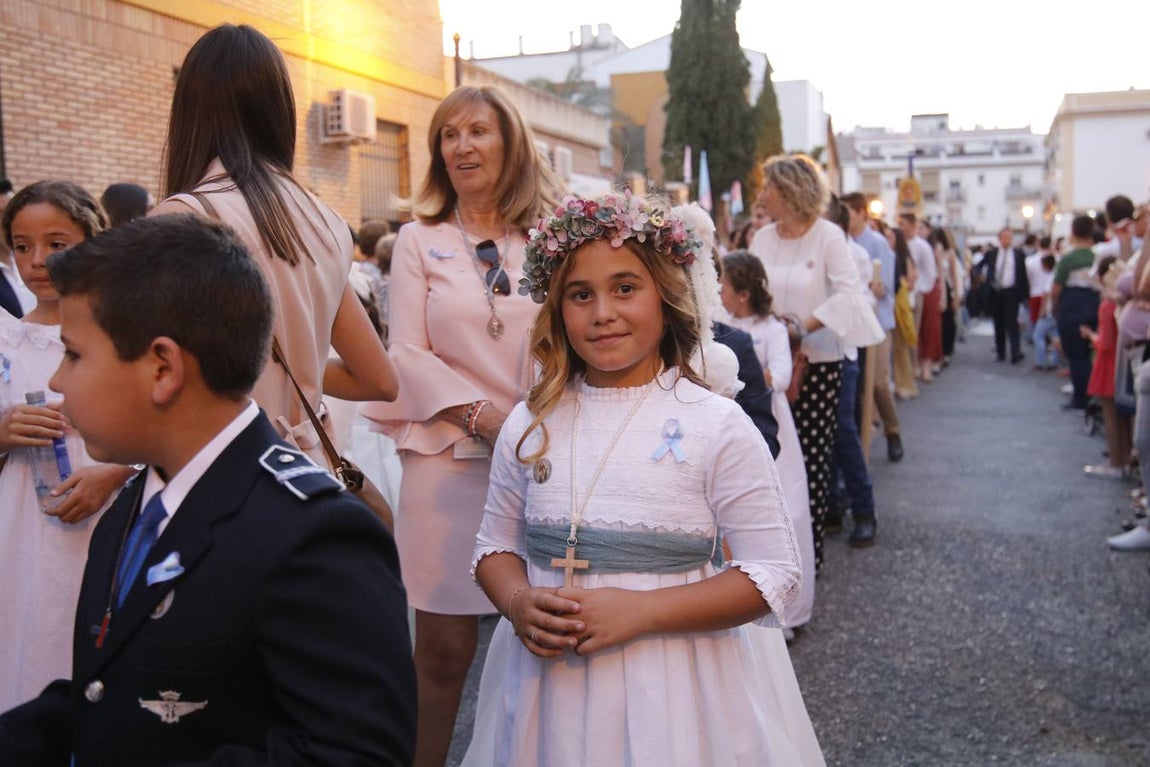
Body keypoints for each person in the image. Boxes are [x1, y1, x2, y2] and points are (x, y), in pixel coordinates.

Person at [0, 213, 417, 764]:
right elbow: (105, 696)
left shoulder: (313, 537)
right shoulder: (138, 503)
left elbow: (355, 753)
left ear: (163, 369)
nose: (57, 380)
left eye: (74, 354)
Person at [463, 191, 823, 766]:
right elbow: (494, 546)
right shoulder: (531, 423)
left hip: (675, 688)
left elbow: (774, 573)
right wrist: (518, 599)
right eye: (581, 294)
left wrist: (642, 611)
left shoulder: (715, 423)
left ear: (666, 296)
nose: (602, 312)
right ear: (557, 308)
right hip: (547, 693)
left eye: (625, 288)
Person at [362, 83, 563, 767]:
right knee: (443, 651)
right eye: (448, 134)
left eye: (477, 130)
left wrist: (533, 422)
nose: (461, 146)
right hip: (448, 456)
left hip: (545, 455)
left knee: (548, 632)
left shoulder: (553, 235)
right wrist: (485, 417)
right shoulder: (418, 240)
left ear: (511, 142)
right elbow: (405, 352)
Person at [149, 24, 397, 469]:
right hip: (306, 473)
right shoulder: (325, 221)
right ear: (279, 109)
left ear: (188, 110)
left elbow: (155, 375)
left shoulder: (184, 217)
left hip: (222, 472)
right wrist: (294, 370)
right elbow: (378, 380)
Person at [0, 181, 136, 711]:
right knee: (29, 627)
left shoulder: (123, 330)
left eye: (57, 244)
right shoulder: (6, 339)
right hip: (22, 520)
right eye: (22, 246)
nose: (38, 261)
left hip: (106, 509)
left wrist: (117, 471)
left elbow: (159, 423)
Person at [749, 154, 883, 570]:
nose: (762, 195)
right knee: (768, 457)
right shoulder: (761, 239)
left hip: (819, 361)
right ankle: (770, 557)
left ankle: (808, 560)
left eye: (769, 187)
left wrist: (800, 328)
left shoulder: (828, 236)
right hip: (768, 363)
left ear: (791, 191)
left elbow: (850, 295)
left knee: (812, 459)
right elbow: (749, 289)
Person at [719, 249, 815, 630]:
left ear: (743, 293)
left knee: (786, 507)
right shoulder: (722, 324)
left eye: (724, 285)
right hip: (732, 415)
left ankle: (790, 610)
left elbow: (783, 376)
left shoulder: (772, 330)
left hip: (769, 418)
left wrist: (744, 376)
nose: (719, 290)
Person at [842, 193, 902, 461]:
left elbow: (887, 283)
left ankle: (893, 430)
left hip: (877, 322)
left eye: (848, 211)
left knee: (878, 382)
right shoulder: (841, 241)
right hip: (851, 324)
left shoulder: (877, 243)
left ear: (860, 212)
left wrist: (877, 287)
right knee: (858, 387)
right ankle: (862, 442)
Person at [1053, 215, 1102, 411]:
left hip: (1072, 304)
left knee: (1076, 354)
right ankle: (1094, 394)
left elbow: (1056, 287)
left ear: (1073, 232)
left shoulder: (1068, 257)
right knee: (1090, 351)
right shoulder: (1097, 256)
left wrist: (1054, 307)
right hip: (1094, 302)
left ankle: (1082, 397)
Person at [899, 213, 938, 378]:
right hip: (900, 293)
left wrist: (919, 289)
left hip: (915, 293)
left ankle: (916, 365)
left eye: (903, 224)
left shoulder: (922, 246)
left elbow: (930, 272)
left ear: (911, 225)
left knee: (913, 331)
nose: (900, 227)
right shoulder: (899, 244)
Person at [984, 227, 1029, 365]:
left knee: (1012, 323)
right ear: (999, 239)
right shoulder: (992, 253)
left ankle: (1015, 353)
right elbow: (982, 267)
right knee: (998, 323)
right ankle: (1000, 352)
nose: (1007, 241)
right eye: (1004, 238)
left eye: (1009, 238)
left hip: (1011, 292)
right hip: (996, 291)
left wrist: (1024, 295)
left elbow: (1023, 275)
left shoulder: (1018, 254)